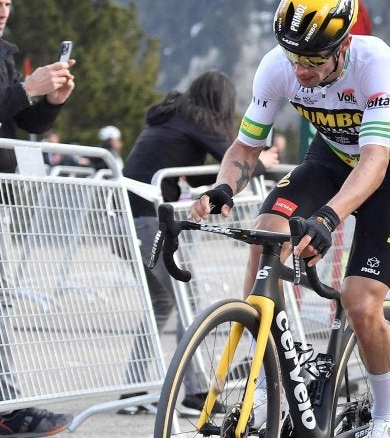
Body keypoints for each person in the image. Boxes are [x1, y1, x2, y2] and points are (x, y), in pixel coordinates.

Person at [189, 0, 390, 438]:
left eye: (315, 60)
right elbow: (247, 146)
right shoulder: (279, 67)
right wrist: (223, 187)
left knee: (361, 302)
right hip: (329, 158)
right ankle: (261, 369)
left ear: (343, 46)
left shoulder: (376, 64)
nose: (302, 71)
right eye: (295, 57)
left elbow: (374, 163)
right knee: (266, 231)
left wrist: (329, 217)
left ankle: (386, 415)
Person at [118, 71, 280, 410]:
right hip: (148, 219)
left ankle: (132, 390)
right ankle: (193, 392)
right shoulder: (196, 120)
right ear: (219, 103)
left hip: (123, 217)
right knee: (187, 299)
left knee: (163, 303)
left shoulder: (172, 118)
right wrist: (262, 162)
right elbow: (238, 161)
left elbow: (209, 172)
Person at [0, 0, 78, 438]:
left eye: (7, 2)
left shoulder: (5, 55)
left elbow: (23, 118)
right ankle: (6, 406)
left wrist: (49, 101)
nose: (2, 10)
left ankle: (5, 402)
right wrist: (27, 88)